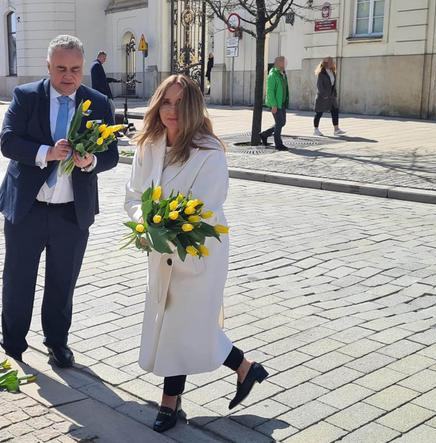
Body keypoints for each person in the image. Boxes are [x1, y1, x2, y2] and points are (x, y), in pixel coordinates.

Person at [125, 75, 269, 433]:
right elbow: (133, 197)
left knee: (178, 326)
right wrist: (144, 224)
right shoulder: (149, 145)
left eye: (179, 103)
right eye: (165, 102)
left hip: (198, 253)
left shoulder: (209, 151)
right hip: (160, 252)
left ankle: (169, 404)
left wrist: (160, 231)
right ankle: (246, 368)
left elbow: (203, 211)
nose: (170, 111)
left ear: (193, 108)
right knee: (188, 325)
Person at [0, 35, 119, 366]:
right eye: (61, 68)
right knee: (19, 278)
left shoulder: (98, 102)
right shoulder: (26, 97)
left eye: (76, 69)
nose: (69, 76)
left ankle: (56, 342)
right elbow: (8, 142)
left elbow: (111, 155)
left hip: (72, 213)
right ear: (48, 66)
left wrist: (90, 161)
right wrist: (46, 153)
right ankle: (13, 342)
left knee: (62, 283)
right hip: (27, 208)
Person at [260, 56, 289, 151]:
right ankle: (278, 144)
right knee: (280, 123)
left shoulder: (282, 74)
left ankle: (264, 134)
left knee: (281, 122)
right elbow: (270, 91)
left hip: (282, 103)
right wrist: (273, 105)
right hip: (276, 103)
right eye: (283, 62)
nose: (285, 64)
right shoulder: (273, 75)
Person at [313, 56, 346, 137]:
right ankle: (316, 130)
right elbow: (319, 85)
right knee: (319, 113)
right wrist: (324, 95)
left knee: (335, 111)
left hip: (331, 96)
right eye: (331, 61)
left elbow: (333, 84)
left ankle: (336, 130)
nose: (333, 62)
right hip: (322, 97)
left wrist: (334, 94)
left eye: (332, 61)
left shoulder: (332, 72)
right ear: (326, 63)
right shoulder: (321, 73)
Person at [90, 51, 121, 116]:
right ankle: (111, 123)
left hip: (99, 93)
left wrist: (112, 80)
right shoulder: (97, 65)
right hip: (102, 92)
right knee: (112, 108)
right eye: (104, 58)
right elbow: (100, 81)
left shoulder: (95, 64)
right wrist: (105, 95)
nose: (105, 60)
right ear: (100, 57)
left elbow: (101, 79)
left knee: (104, 110)